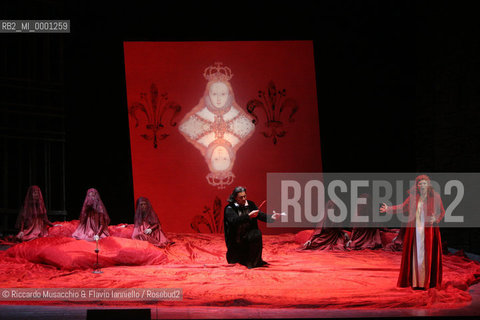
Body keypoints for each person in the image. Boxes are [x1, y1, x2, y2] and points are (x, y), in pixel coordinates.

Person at [179, 63, 255, 189]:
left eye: (223, 94)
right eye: (214, 94)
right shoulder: (195, 122)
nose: (220, 154)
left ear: (229, 95)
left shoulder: (243, 124)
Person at [380, 175, 445, 289]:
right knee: (416, 253)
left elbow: (442, 211)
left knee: (427, 254)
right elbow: (402, 207)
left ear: (428, 185)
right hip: (415, 230)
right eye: (420, 184)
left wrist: (436, 219)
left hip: (429, 230)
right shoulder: (413, 197)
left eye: (424, 183)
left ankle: (426, 281)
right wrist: (388, 209)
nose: (422, 186)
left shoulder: (435, 197)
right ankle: (416, 281)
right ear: (417, 186)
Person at [224, 186, 279, 268]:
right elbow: (234, 221)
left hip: (249, 237)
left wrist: (272, 218)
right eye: (241, 197)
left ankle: (253, 262)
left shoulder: (251, 204)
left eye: (245, 196)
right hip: (236, 241)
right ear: (235, 198)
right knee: (234, 261)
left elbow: (260, 215)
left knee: (256, 233)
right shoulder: (229, 208)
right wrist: (248, 216)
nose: (244, 199)